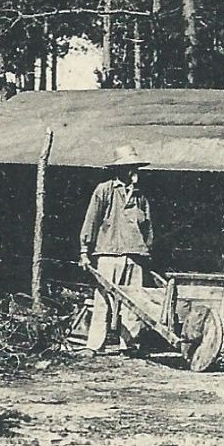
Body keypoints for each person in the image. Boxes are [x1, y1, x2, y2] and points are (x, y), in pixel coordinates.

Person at [78, 144, 154, 355]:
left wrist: (145, 251)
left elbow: (147, 228)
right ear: (119, 169)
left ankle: (129, 345)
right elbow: (91, 222)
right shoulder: (104, 190)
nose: (133, 171)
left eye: (135, 167)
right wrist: (84, 251)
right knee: (103, 300)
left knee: (134, 303)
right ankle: (94, 346)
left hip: (134, 256)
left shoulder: (140, 196)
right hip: (108, 255)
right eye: (130, 167)